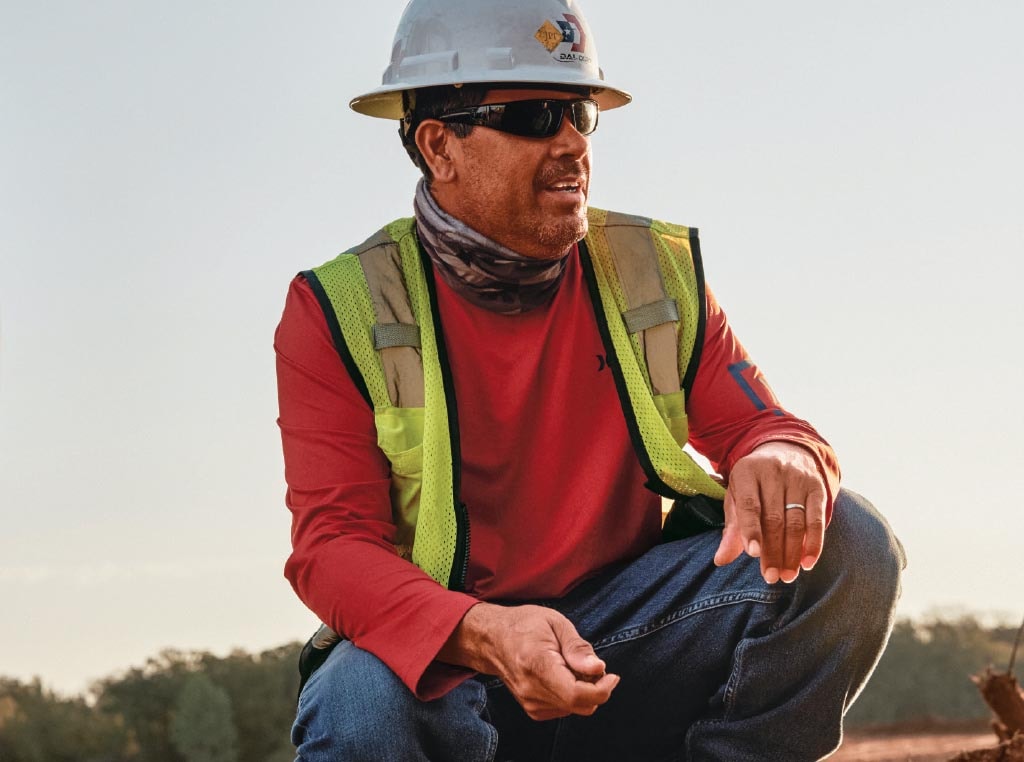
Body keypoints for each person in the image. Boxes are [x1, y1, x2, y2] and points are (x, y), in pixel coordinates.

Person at [274, 0, 905, 759]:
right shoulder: (338, 309)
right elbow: (331, 546)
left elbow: (761, 425)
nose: (573, 141)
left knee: (848, 544)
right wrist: (483, 632)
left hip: (627, 645)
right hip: (455, 659)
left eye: (580, 112)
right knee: (358, 700)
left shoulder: (651, 272)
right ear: (440, 145)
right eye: (538, 115)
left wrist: (784, 454)